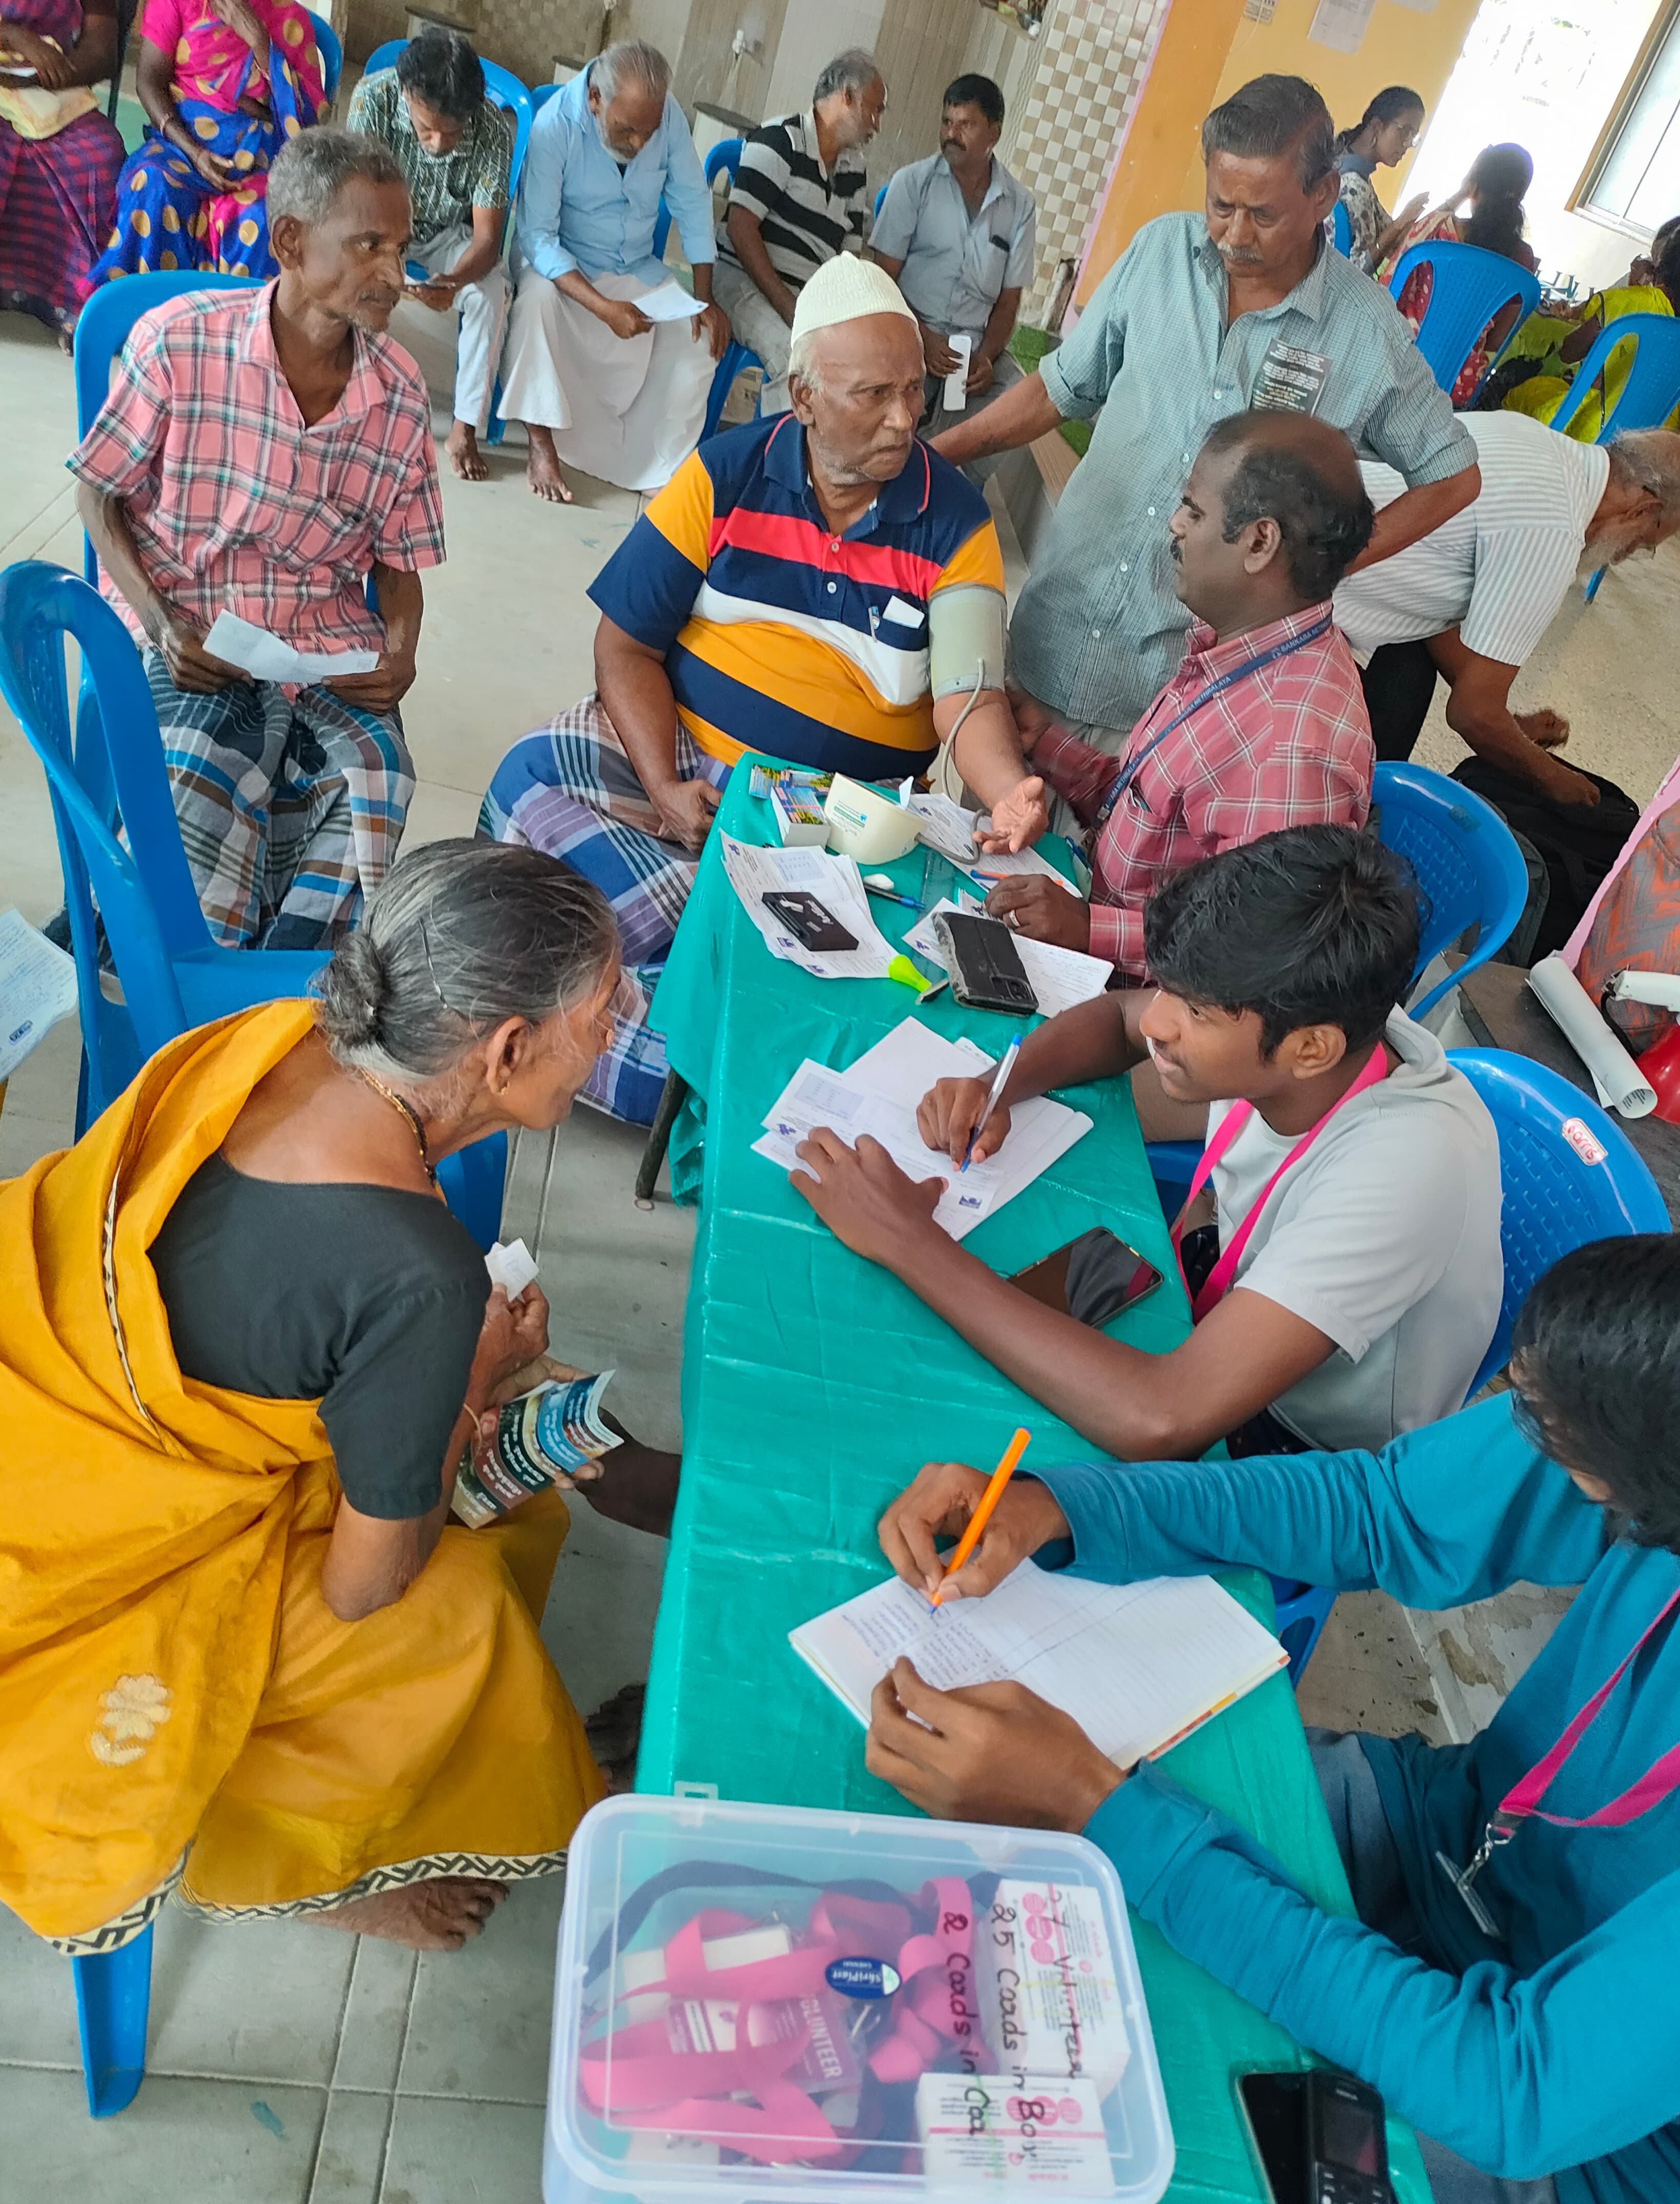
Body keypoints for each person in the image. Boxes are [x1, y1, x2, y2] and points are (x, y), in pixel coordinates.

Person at [864, 1224, 1680, 2204]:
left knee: (1067, 2121)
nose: (1546, 1460)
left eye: (1588, 1479)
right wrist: (1072, 1506)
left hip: (1585, 2137)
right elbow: (1381, 1507)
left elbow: (1509, 2085)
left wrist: (1094, 1804)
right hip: (1455, 1840)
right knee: (978, 1868)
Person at [0, 840, 660, 1956]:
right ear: (506, 1049)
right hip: (72, 1549)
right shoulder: (417, 1277)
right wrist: (467, 1380)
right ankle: (336, 1871)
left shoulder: (269, 1042)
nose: (614, 1035)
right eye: (605, 1011)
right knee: (455, 1610)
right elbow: (363, 1587)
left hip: (46, 1383)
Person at [482, 253, 1044, 1127]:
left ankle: (602, 1011)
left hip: (834, 818)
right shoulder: (723, 472)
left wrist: (1007, 791)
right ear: (804, 396)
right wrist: (665, 788)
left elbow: (964, 699)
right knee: (526, 777)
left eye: (913, 393)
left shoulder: (955, 521)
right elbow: (624, 645)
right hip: (680, 766)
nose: (905, 420)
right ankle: (685, 1002)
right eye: (873, 396)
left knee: (635, 934)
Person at [792, 826, 1502, 1461]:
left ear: (1311, 1051)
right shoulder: (1308, 1021)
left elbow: (1163, 1417)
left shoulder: (1403, 1169)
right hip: (1216, 1302)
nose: (1159, 1021)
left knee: (934, 1435)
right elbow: (1117, 1021)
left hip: (1301, 1450)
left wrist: (904, 1236)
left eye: (1193, 1011)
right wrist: (999, 1083)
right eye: (1168, 987)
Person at [928, 74, 1479, 749]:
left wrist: (1323, 565)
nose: (1236, 235)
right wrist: (932, 456)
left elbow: (1453, 476)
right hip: (1053, 633)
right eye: (1222, 205)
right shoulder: (1161, 254)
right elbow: (1057, 390)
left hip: (1176, 703)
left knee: (1118, 855)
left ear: (1324, 196)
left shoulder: (1367, 336)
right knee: (989, 835)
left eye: (1264, 214)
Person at [69, 128, 445, 950]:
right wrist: (162, 622)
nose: (395, 273)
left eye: (402, 247)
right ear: (290, 242)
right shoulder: (179, 343)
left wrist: (402, 651)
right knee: (203, 769)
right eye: (368, 245)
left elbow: (401, 558)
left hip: (322, 647)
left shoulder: (400, 395)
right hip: (193, 626)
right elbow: (99, 491)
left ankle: (279, 998)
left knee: (377, 777)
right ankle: (178, 977)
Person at [986, 409, 1376, 978]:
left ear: (1260, 541)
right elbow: (1155, 807)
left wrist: (1089, 928)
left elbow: (1246, 944)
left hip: (1150, 1005)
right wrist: (1046, 744)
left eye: (1194, 509)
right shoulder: (1239, 650)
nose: (1175, 524)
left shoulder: (1290, 747)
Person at [1336, 415, 1680, 957]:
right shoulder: (1554, 532)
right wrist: (1552, 778)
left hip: (1331, 545)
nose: (1632, 555)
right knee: (1358, 778)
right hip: (1314, 595)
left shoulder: (1538, 444)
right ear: (1645, 507)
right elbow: (1472, 716)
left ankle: (1352, 820)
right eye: (1647, 543)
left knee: (1406, 680)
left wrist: (1512, 726)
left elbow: (1436, 607)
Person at [497, 42, 728, 504]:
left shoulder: (669, 118)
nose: (640, 143)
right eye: (626, 130)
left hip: (636, 266)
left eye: (649, 131)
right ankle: (542, 443)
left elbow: (693, 202)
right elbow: (539, 237)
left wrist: (704, 299)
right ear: (595, 101)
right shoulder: (555, 126)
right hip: (566, 267)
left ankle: (659, 468)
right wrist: (602, 307)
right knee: (536, 301)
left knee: (699, 339)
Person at [346, 24, 513, 482]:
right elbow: (357, 206)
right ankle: (351, 394)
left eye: (452, 133)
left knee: (491, 291)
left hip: (443, 235)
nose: (439, 144)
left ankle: (464, 428)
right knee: (348, 272)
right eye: (426, 129)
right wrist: (388, 258)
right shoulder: (373, 100)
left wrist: (453, 281)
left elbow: (485, 240)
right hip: (377, 228)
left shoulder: (494, 131)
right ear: (406, 94)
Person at [869, 72, 1035, 483]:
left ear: (993, 133)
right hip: (908, 329)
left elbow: (1008, 301)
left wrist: (988, 356)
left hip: (970, 347)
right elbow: (881, 277)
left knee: (1018, 397)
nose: (952, 134)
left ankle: (937, 472)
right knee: (888, 387)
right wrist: (922, 338)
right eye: (947, 122)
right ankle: (925, 463)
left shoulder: (1019, 206)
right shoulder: (914, 183)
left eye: (966, 124)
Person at [96, 0, 326, 281]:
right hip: (182, 144)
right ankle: (148, 311)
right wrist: (195, 154)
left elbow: (307, 126)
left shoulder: (290, 17)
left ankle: (239, 320)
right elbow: (149, 81)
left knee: (265, 218)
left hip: (262, 159)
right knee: (152, 186)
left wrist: (260, 43)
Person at [710, 46, 882, 415]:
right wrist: (791, 309)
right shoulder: (780, 139)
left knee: (855, 371)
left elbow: (846, 260)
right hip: (743, 280)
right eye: (875, 109)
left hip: (802, 299)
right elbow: (741, 230)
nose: (877, 125)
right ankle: (775, 465)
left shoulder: (854, 170)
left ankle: (819, 462)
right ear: (848, 98)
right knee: (798, 367)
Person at [1501, 214, 1680, 436]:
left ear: (1665, 256)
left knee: (1520, 393)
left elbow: (1570, 351)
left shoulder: (1632, 300)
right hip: (1652, 439)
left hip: (1595, 429)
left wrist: (1635, 291)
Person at [0, 0, 125, 339]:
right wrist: (13, 35)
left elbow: (102, 53)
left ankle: (73, 301)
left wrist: (42, 76)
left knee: (100, 155)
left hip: (53, 88)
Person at [1389, 143, 1536, 410]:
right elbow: (1498, 341)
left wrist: (1459, 194)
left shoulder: (1436, 231)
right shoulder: (1522, 260)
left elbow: (1390, 289)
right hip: (1457, 385)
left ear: (1474, 186)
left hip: (1395, 364)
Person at [1332, 84, 1424, 272]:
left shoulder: (1343, 163)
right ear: (1377, 126)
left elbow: (1393, 236)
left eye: (1413, 136)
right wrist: (1399, 224)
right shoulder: (1353, 185)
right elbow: (1356, 271)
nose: (1407, 144)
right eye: (1404, 131)